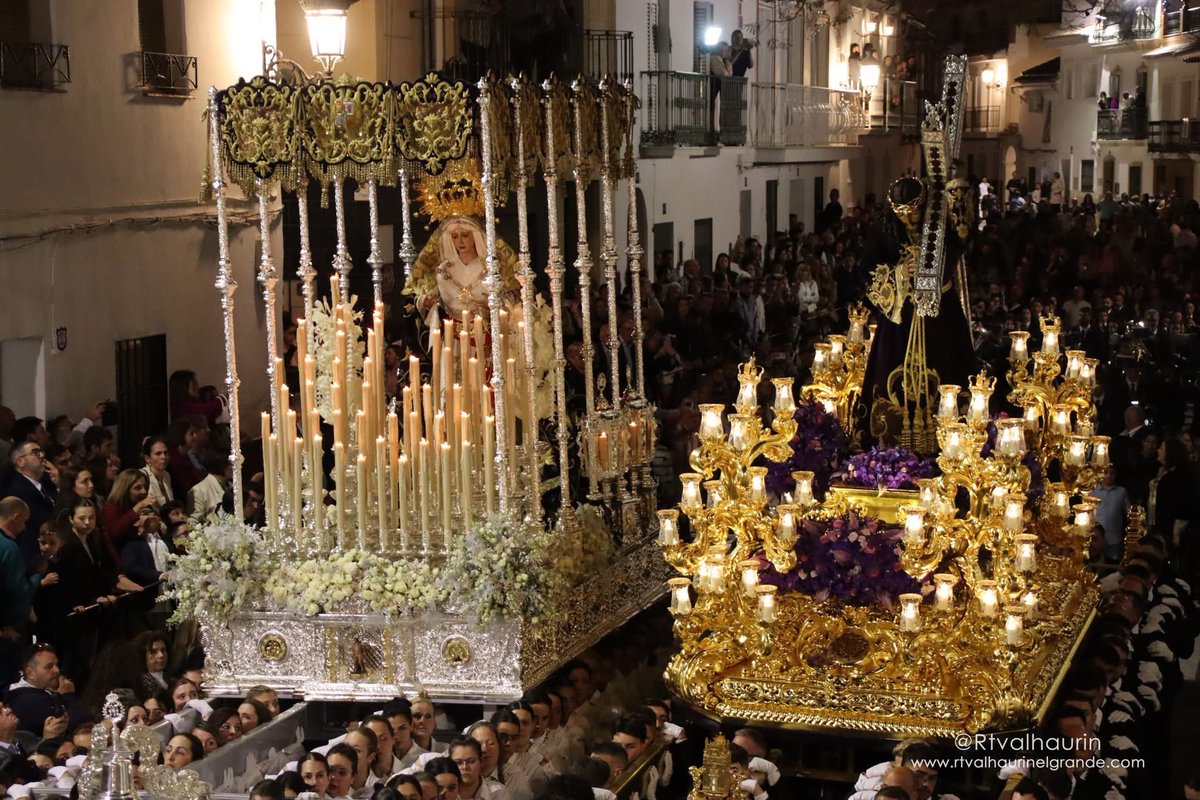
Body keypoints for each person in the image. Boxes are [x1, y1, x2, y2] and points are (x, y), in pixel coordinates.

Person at [3, 644, 86, 738]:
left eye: (57, 665)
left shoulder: (25, 693)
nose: (57, 670)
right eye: (49, 666)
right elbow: (82, 727)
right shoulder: (28, 701)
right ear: (30, 673)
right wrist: (68, 696)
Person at [3, 440, 57, 570]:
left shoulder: (45, 484)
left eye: (41, 451)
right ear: (20, 461)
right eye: (35, 452)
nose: (42, 455)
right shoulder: (17, 489)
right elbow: (42, 520)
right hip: (32, 556)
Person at [140, 436, 174, 507]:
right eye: (158, 454)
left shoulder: (166, 475)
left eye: (165, 453)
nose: (164, 457)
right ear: (147, 458)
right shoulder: (141, 475)